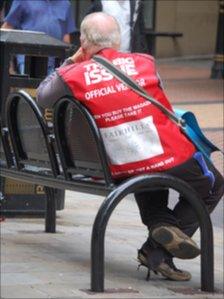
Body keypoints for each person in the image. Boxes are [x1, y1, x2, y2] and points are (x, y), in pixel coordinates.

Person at [36, 12, 224, 281]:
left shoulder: (73, 74)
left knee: (144, 172)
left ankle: (161, 230)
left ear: (84, 42)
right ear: (118, 39)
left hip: (120, 166)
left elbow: (43, 96)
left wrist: (73, 60)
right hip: (167, 155)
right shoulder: (144, 63)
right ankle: (158, 247)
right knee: (213, 184)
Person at [1, 0, 76, 74]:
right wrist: (6, 63)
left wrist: (67, 64)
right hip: (28, 59)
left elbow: (66, 37)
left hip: (55, 63)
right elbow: (7, 28)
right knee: (29, 85)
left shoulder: (65, 4)